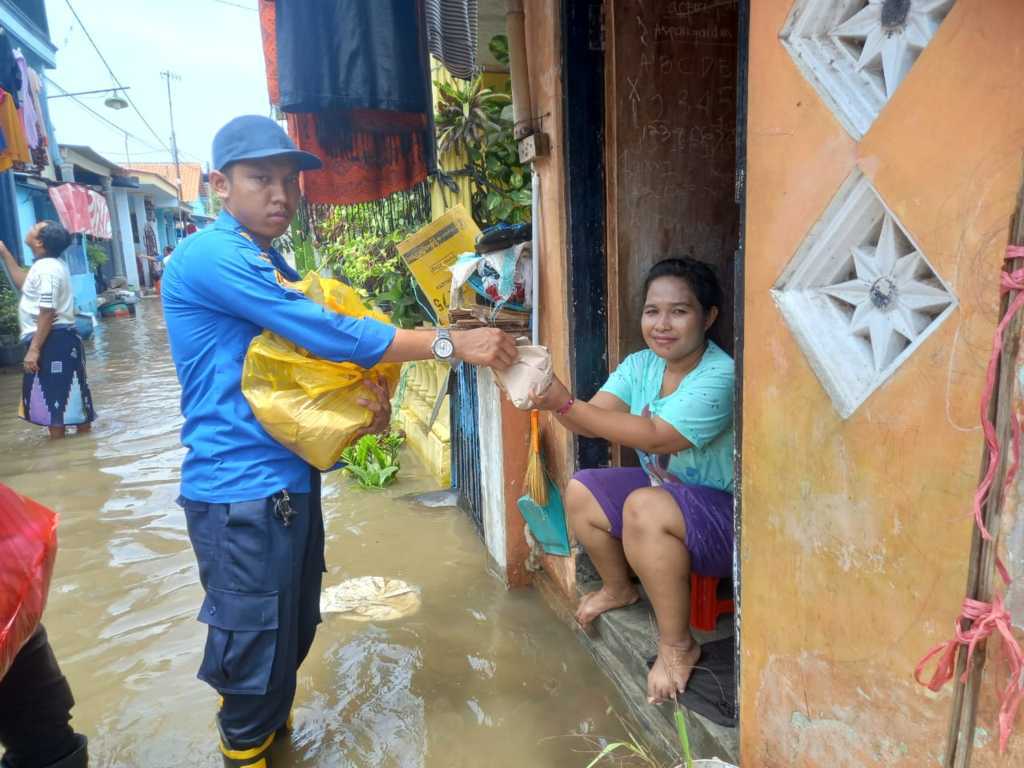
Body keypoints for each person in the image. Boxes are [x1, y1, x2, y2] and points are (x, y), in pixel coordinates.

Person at [161, 115, 516, 768]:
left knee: (289, 637)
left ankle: (274, 740)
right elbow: (328, 333)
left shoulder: (267, 260)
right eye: (260, 179)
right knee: (253, 654)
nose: (280, 195)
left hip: (286, 484)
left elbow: (300, 370)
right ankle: (247, 747)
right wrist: (451, 342)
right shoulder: (213, 256)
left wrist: (361, 405)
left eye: (290, 182)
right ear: (220, 186)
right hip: (239, 491)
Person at [531, 258, 734, 706]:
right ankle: (619, 588)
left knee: (644, 503)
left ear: (709, 317)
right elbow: (590, 420)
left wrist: (564, 404)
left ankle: (679, 645)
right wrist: (550, 390)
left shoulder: (720, 375)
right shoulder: (641, 365)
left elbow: (660, 437)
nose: (661, 324)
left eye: (679, 311)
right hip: (668, 498)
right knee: (582, 488)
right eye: (652, 311)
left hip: (729, 520)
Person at [0, 221, 95, 438]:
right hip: (56, 339)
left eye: (35, 227)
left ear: (40, 242)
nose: (30, 227)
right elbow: (24, 284)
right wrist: (5, 254)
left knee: (56, 404)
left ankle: (61, 456)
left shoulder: (47, 269)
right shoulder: (47, 265)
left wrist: (34, 349)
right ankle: (82, 449)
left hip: (53, 340)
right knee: (69, 399)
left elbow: (47, 311)